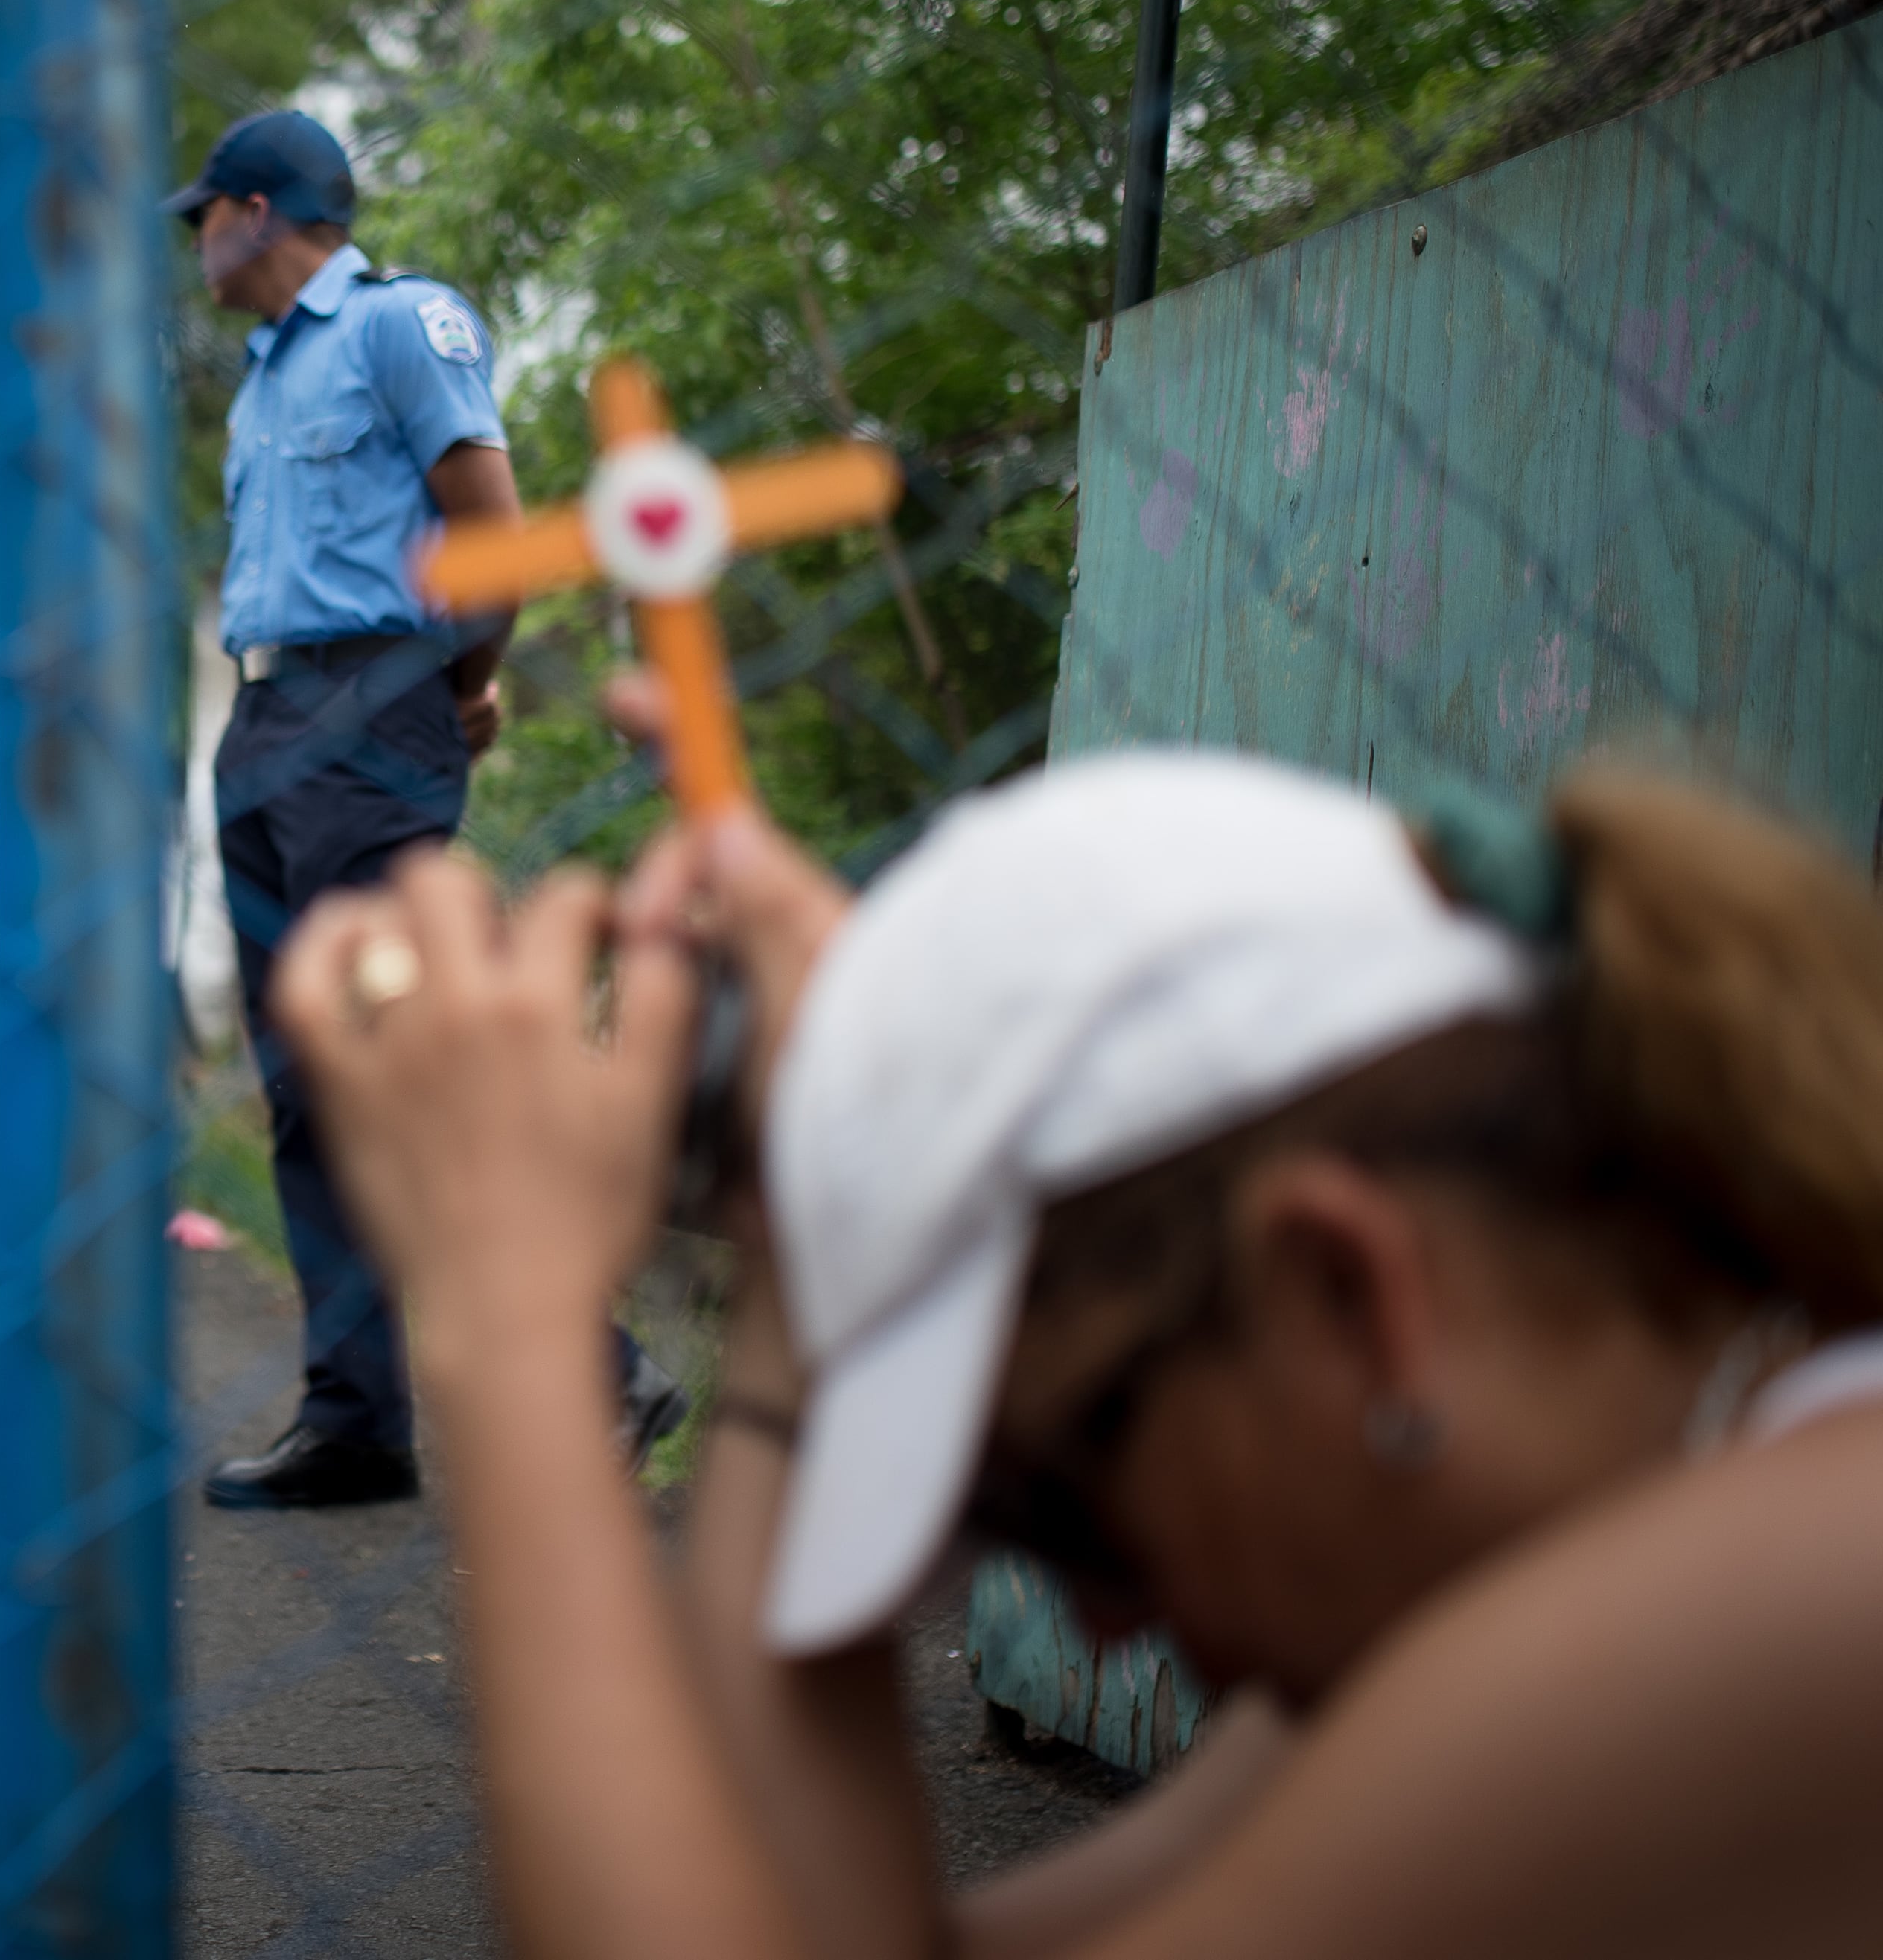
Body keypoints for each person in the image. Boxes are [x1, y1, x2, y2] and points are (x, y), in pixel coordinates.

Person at [273, 703, 1883, 1960]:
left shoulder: (1795, 1590)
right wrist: (809, 1240)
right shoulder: (1671, 1504)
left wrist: (507, 1327)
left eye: (1066, 1501)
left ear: (1347, 1289)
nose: (1104, 1624)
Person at [168, 107, 679, 1512]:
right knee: (306, 1081)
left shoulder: (402, 325)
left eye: (203, 212)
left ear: (262, 211)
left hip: (373, 707)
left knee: (392, 1051)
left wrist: (463, 685)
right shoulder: (265, 376)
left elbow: (489, 522)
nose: (195, 240)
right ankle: (356, 1417)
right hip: (266, 714)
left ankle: (595, 1364)